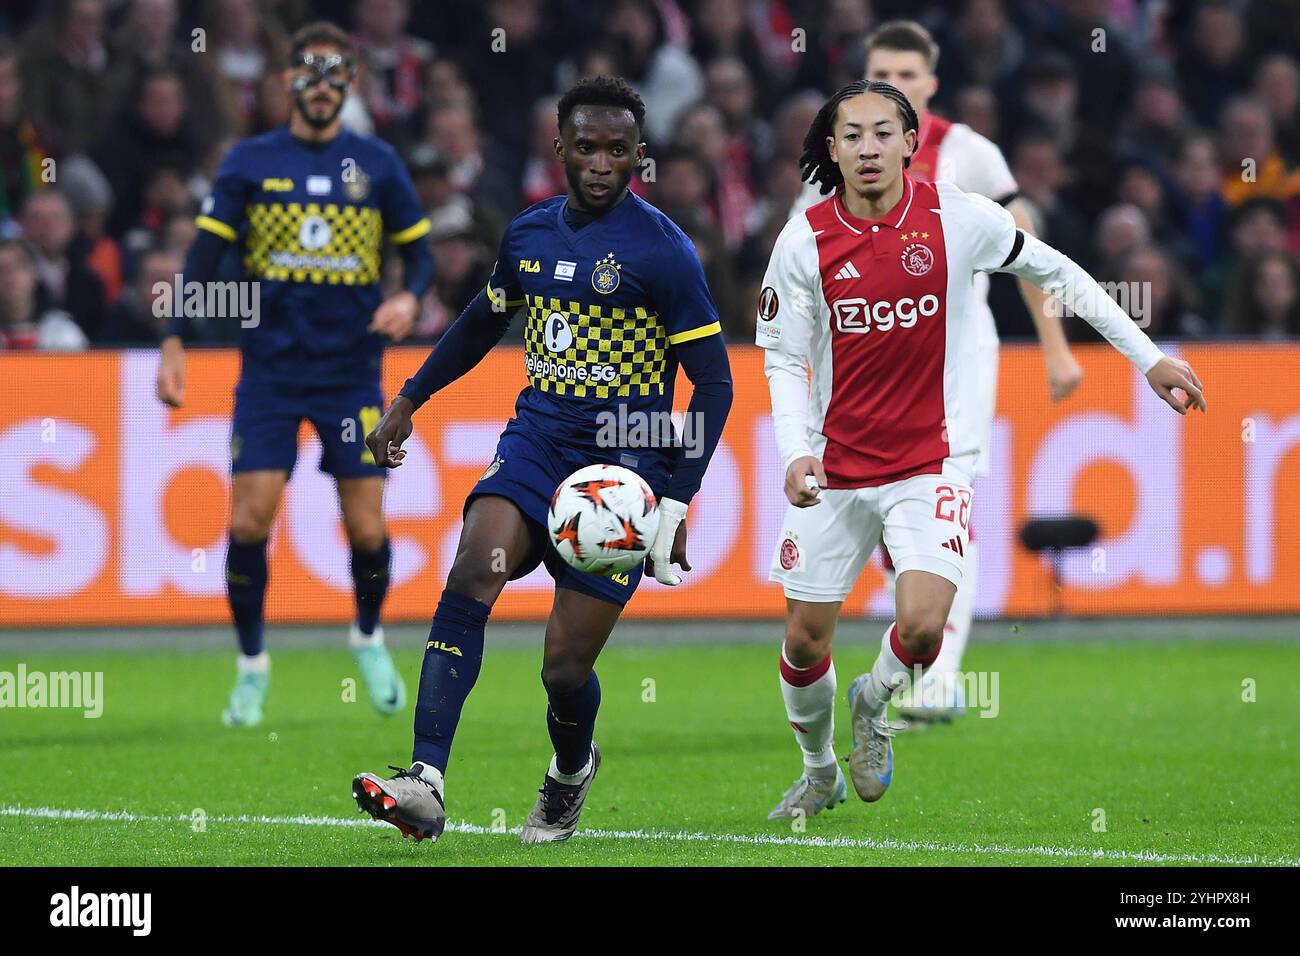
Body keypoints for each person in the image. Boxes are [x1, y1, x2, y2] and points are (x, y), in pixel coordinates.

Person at [759, 80, 1204, 820]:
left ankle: (873, 704)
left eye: (883, 133)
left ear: (911, 142)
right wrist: (792, 453)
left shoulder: (956, 216)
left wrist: (1147, 358)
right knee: (805, 644)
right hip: (834, 468)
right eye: (852, 136)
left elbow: (1057, 271)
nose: (868, 148)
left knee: (925, 626)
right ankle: (817, 768)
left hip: (930, 459)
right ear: (831, 151)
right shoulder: (805, 238)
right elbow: (781, 356)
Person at [351, 75, 733, 845]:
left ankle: (569, 772)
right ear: (559, 148)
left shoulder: (664, 252)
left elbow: (715, 385)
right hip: (538, 443)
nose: (601, 163)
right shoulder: (526, 235)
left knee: (563, 669)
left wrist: (675, 503)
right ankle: (424, 781)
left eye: (618, 150)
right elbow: (477, 324)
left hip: (624, 472)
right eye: (586, 147)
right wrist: (409, 397)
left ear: (638, 157)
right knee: (471, 573)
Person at [789, 20, 1083, 728]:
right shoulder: (837, 157)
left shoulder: (968, 152)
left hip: (958, 356)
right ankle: (913, 660)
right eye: (880, 70)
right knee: (893, 517)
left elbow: (1025, 244)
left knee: (949, 493)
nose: (894, 82)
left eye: (908, 74)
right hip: (866, 365)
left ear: (930, 84)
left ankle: (942, 673)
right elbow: (804, 269)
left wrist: (1054, 344)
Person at [153, 21, 434, 728]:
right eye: (307, 73)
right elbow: (205, 260)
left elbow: (422, 255)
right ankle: (252, 666)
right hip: (271, 373)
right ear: (286, 83)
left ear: (351, 85)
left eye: (334, 74)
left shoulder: (375, 163)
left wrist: (408, 295)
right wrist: (175, 340)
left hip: (352, 373)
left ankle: (367, 639)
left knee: (367, 530)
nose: (319, 87)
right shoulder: (250, 162)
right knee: (249, 520)